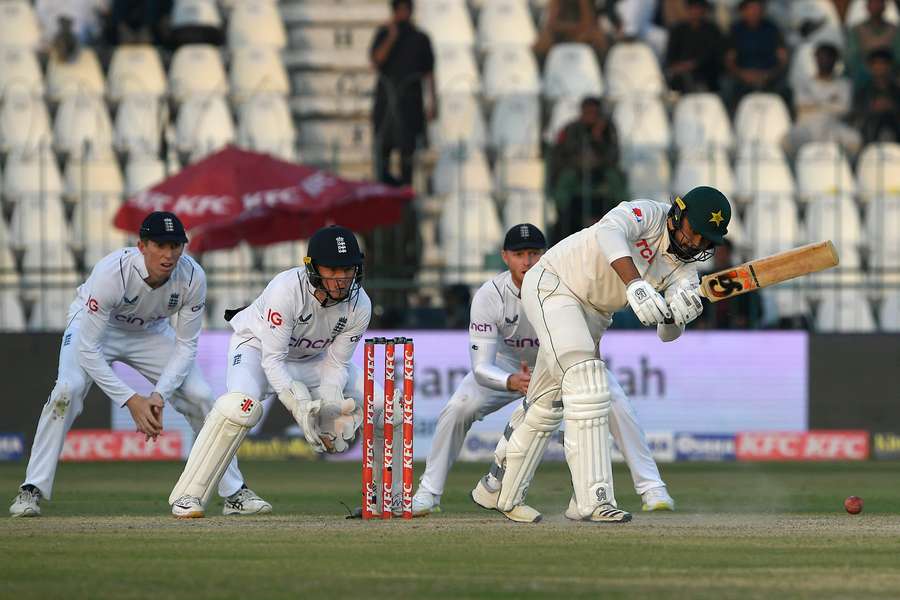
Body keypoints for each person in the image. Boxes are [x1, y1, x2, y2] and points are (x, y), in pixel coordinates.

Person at [472, 186, 731, 523]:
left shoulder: (684, 274)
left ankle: (497, 489)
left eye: (705, 240)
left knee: (547, 403)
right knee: (588, 382)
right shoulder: (648, 214)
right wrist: (635, 284)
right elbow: (608, 230)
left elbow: (667, 335)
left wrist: (678, 315)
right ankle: (592, 500)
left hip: (592, 316)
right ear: (677, 215)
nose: (695, 244)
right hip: (555, 284)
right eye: (693, 232)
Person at [9, 212, 269, 518]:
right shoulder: (111, 272)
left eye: (176, 246)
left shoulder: (192, 276)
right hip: (96, 330)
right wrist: (131, 400)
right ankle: (31, 489)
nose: (169, 254)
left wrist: (158, 395)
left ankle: (234, 492)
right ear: (142, 245)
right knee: (68, 390)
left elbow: (186, 346)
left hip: (150, 332)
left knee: (200, 396)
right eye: (160, 245)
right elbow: (90, 349)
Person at [412, 224, 675, 519]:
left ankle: (652, 489)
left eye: (535, 253)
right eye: (519, 254)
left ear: (547, 254)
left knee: (614, 401)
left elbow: (590, 341)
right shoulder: (491, 295)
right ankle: (429, 492)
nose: (527, 261)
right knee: (459, 407)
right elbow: (481, 367)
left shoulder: (568, 284)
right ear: (505, 256)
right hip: (508, 365)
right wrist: (511, 381)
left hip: (561, 362)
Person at [168, 225, 400, 518]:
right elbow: (273, 360)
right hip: (256, 348)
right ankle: (188, 496)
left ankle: (384, 499)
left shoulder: (360, 304)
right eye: (333, 269)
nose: (342, 279)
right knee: (239, 408)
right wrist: (299, 407)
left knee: (386, 405)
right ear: (313, 267)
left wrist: (329, 411)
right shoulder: (286, 289)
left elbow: (336, 364)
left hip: (312, 358)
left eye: (348, 269)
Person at [369, 0, 436, 186]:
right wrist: (391, 37)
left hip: (411, 105)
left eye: (405, 9)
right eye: (399, 9)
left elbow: (429, 74)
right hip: (386, 105)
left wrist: (433, 102)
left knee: (407, 158)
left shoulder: (421, 39)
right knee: (383, 156)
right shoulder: (384, 34)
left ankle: (406, 202)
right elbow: (376, 62)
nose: (402, 13)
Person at [549, 96, 628, 241]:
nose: (590, 116)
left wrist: (597, 138)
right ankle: (562, 214)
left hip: (602, 170)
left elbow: (613, 156)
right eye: (587, 112)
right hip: (576, 170)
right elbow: (565, 153)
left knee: (615, 178)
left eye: (594, 113)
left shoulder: (608, 129)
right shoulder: (571, 128)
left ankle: (623, 217)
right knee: (566, 179)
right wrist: (582, 162)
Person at [786, 43, 861, 156]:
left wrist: (815, 104)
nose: (824, 60)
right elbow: (800, 105)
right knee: (787, 141)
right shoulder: (803, 82)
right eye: (821, 57)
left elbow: (845, 108)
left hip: (833, 126)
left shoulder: (844, 84)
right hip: (806, 127)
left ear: (836, 60)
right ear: (815, 58)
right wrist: (831, 102)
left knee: (854, 139)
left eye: (828, 57)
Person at [724, 0, 789, 109]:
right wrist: (742, 74)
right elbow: (729, 59)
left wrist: (770, 74)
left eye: (757, 8)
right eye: (751, 9)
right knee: (728, 89)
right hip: (742, 76)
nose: (754, 12)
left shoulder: (772, 29)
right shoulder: (735, 30)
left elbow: (783, 58)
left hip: (769, 75)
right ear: (743, 11)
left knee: (785, 90)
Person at [664, 0, 726, 93]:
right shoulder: (678, 30)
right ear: (688, 10)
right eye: (693, 8)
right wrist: (678, 66)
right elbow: (671, 54)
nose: (695, 11)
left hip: (705, 72)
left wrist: (693, 64)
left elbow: (713, 54)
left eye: (698, 8)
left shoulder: (712, 29)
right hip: (680, 73)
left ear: (704, 10)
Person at [845, 0, 900, 88]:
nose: (876, 6)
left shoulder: (894, 30)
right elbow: (852, 59)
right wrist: (872, 71)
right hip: (862, 80)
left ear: (884, 6)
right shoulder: (857, 30)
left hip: (890, 80)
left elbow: (898, 58)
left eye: (879, 2)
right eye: (873, 3)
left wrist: (883, 69)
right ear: (867, 6)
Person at [853, 48, 900, 144]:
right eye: (876, 63)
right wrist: (872, 108)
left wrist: (892, 107)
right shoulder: (863, 92)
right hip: (870, 138)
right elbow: (856, 117)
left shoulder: (897, 90)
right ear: (870, 67)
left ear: (889, 66)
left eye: (883, 63)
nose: (880, 67)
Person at [533, 0, 609, 59]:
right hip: (562, 32)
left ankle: (598, 71)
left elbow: (587, 23)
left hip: (581, 32)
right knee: (543, 41)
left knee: (599, 39)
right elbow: (552, 24)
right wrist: (570, 30)